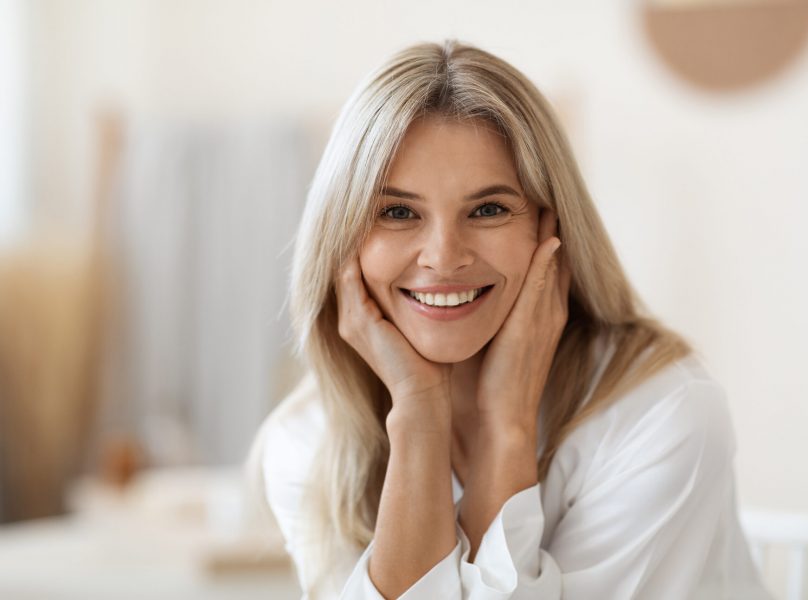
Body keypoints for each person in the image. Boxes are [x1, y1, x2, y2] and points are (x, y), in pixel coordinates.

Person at [246, 39, 772, 599]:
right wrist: (419, 415)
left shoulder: (661, 416)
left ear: (550, 230)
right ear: (342, 240)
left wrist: (508, 427)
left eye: (489, 209)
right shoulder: (310, 442)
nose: (444, 257)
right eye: (398, 212)